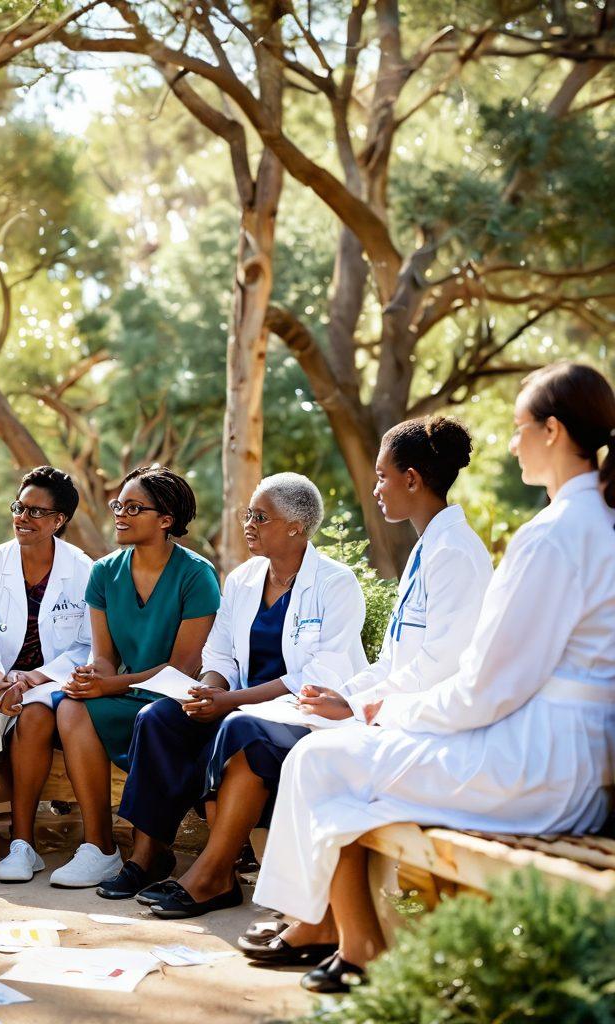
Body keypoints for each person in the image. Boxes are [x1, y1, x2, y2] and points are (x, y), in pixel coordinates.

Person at [253, 362, 615, 994]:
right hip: (569, 755)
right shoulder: (595, 524)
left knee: (321, 760)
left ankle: (348, 940)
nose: (512, 444)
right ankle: (338, 930)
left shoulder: (553, 536)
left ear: (553, 431)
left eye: (518, 428)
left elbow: (486, 690)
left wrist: (383, 712)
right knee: (338, 758)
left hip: (540, 767)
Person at [232, 416, 493, 950]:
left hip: (434, 726)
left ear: (412, 479)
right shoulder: (427, 548)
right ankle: (310, 913)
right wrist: (345, 695)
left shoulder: (454, 554)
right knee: (294, 740)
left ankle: (315, 918)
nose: (375, 488)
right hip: (398, 710)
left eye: (381, 476)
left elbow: (439, 667)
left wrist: (355, 707)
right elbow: (394, 659)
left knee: (312, 758)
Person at [104, 473, 368, 913]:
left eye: (260, 517)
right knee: (158, 719)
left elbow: (319, 675)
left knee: (240, 728)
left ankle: (215, 876)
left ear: (295, 528)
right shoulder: (244, 578)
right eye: (248, 514)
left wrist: (228, 702)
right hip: (238, 709)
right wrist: (207, 692)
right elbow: (220, 654)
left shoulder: (335, 583)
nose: (248, 524)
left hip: (303, 716)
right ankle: (146, 855)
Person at [51, 465, 221, 889]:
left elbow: (183, 666)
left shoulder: (196, 574)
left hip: (175, 700)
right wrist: (92, 677)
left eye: (133, 508)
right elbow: (105, 657)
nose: (120, 515)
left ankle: (148, 854)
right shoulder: (104, 572)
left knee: (153, 718)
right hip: (128, 692)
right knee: (70, 707)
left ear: (166, 520)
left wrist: (109, 685)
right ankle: (99, 847)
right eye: (118, 506)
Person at [0, 467, 93, 881]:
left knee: (35, 716)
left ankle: (22, 841)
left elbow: (86, 646)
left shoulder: (82, 569)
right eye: (19, 507)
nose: (22, 518)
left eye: (36, 512)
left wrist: (34, 679)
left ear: (58, 520)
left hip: (48, 681)